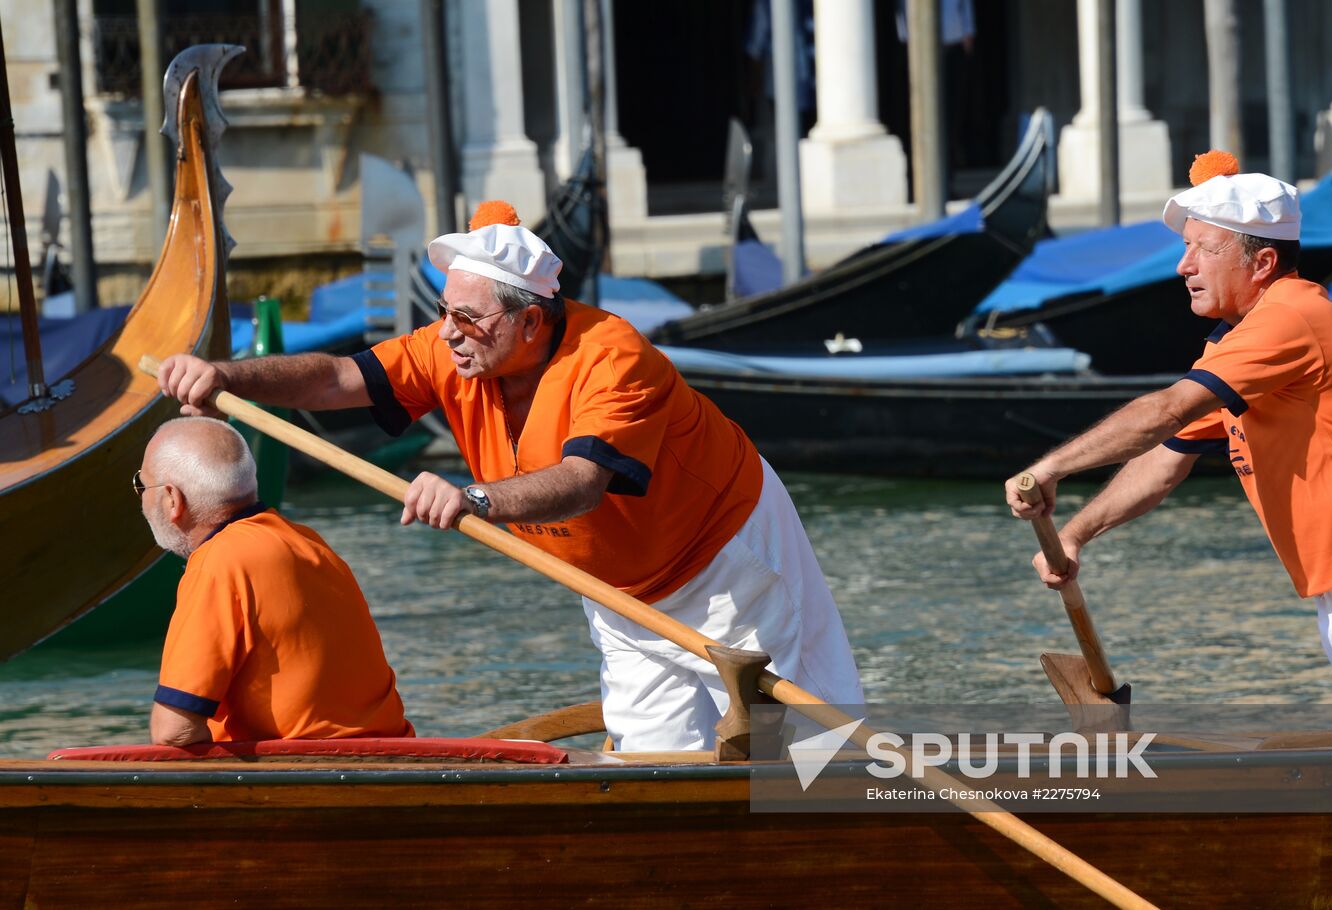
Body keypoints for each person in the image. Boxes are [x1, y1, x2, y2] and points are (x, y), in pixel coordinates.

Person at [156, 203, 864, 752]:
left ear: (530, 323)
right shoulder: (451, 351)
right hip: (618, 590)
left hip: (726, 563)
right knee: (654, 760)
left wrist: (472, 498)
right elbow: (344, 376)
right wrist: (227, 375)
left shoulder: (614, 360)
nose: (450, 332)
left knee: (808, 753)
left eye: (468, 317)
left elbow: (585, 480)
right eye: (443, 313)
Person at [1004, 151, 1332, 727]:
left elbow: (1164, 412)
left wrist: (1050, 469)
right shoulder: (1235, 346)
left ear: (1262, 261)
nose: (1182, 267)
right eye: (1184, 248)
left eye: (1201, 250)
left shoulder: (1293, 320)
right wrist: (1075, 535)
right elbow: (1165, 461)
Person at [139, 416, 413, 745]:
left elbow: (174, 730)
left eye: (142, 485)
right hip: (391, 752)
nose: (140, 498)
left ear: (172, 499)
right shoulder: (309, 542)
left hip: (313, 775)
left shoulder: (219, 561)